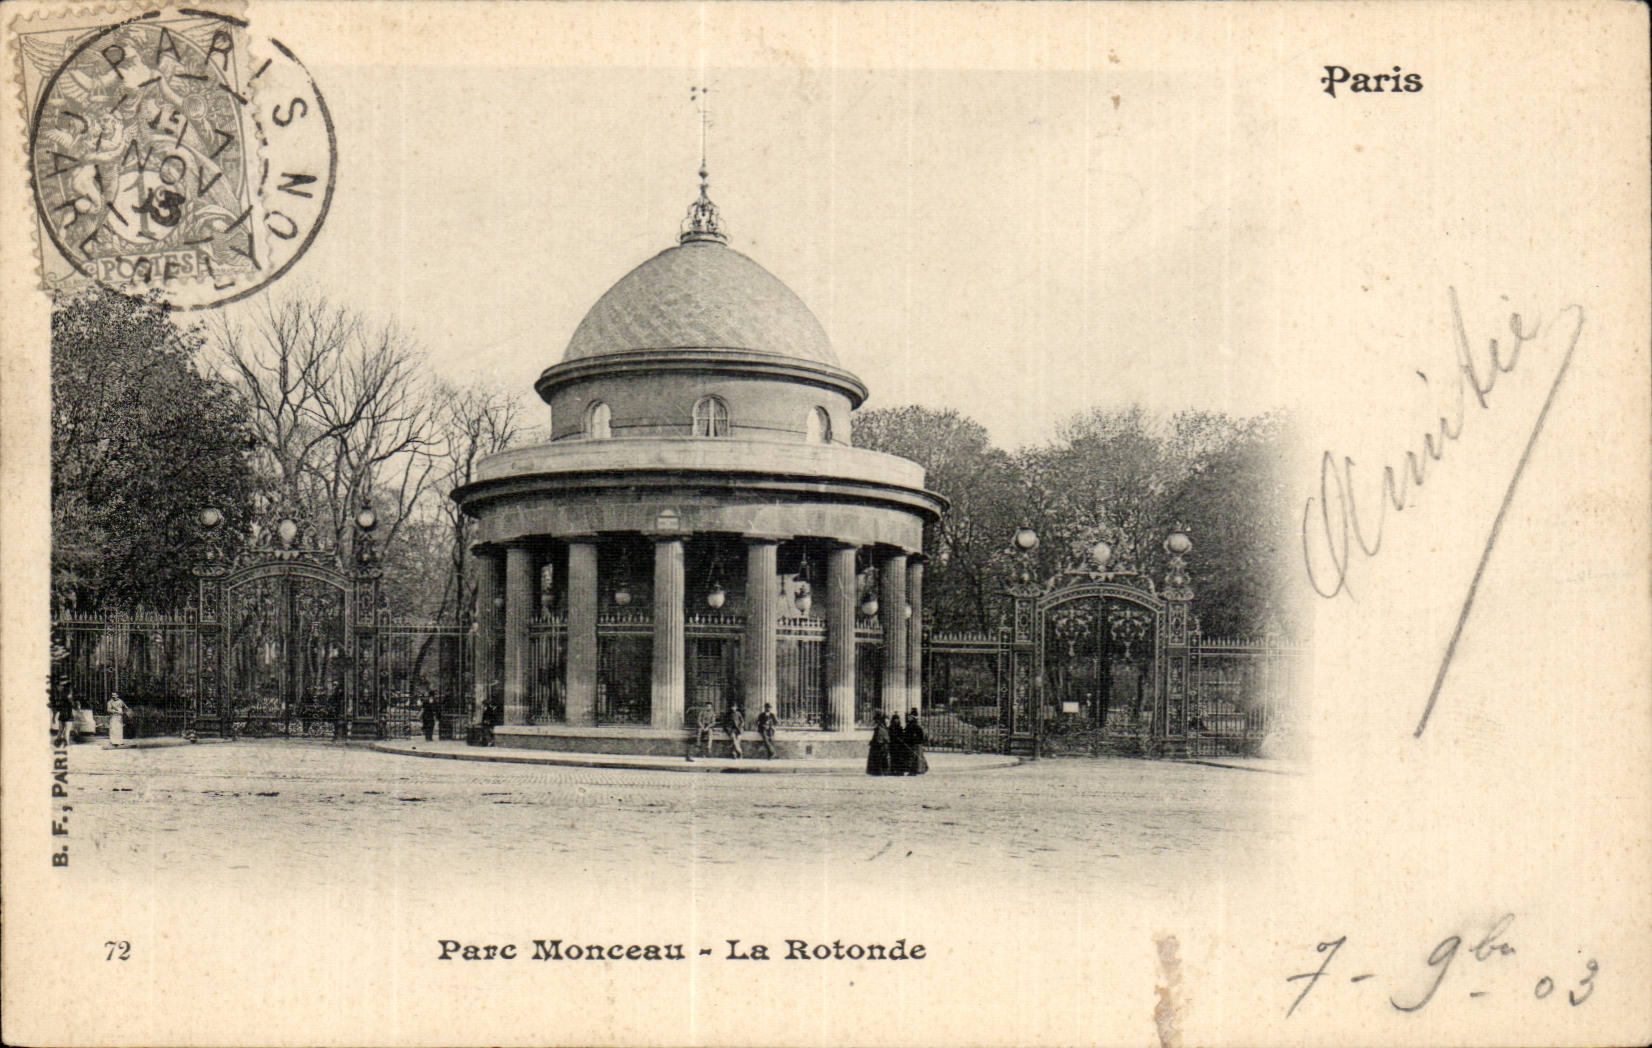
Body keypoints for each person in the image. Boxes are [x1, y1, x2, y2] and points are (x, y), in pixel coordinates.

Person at [904, 708, 929, 776]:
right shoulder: (911, 724)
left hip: (915, 743)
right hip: (914, 743)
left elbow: (920, 735)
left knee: (914, 757)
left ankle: (914, 770)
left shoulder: (915, 725)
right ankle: (920, 769)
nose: (908, 718)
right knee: (916, 757)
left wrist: (915, 739)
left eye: (910, 717)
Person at [866, 711, 892, 776]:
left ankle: (881, 771)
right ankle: (879, 771)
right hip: (880, 746)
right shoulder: (879, 728)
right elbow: (878, 738)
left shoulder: (882, 728)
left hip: (882, 746)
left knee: (882, 759)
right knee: (879, 759)